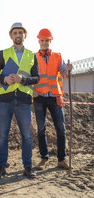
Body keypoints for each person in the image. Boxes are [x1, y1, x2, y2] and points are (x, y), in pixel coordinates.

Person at [0, 22, 39, 178]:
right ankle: (2, 167)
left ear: (25, 35)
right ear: (11, 36)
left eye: (20, 33)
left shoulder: (32, 55)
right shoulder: (3, 53)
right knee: (3, 135)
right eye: (15, 33)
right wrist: (4, 79)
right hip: (5, 100)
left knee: (26, 135)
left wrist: (22, 79)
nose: (18, 35)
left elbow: (36, 78)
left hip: (24, 100)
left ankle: (27, 167)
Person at [33, 28, 73, 170]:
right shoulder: (33, 57)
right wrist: (32, 91)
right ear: (39, 41)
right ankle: (44, 159)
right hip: (39, 97)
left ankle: (61, 160)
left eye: (47, 40)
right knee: (41, 129)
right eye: (42, 40)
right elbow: (28, 77)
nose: (44, 43)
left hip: (55, 97)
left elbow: (63, 74)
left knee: (60, 128)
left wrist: (68, 69)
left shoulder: (57, 56)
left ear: (50, 41)